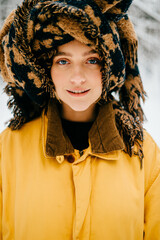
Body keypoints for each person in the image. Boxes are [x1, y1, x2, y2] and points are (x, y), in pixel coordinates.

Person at [0, 0, 160, 239]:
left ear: (108, 66)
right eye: (63, 61)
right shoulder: (8, 150)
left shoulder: (142, 151)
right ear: (46, 70)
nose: (77, 78)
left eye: (92, 60)